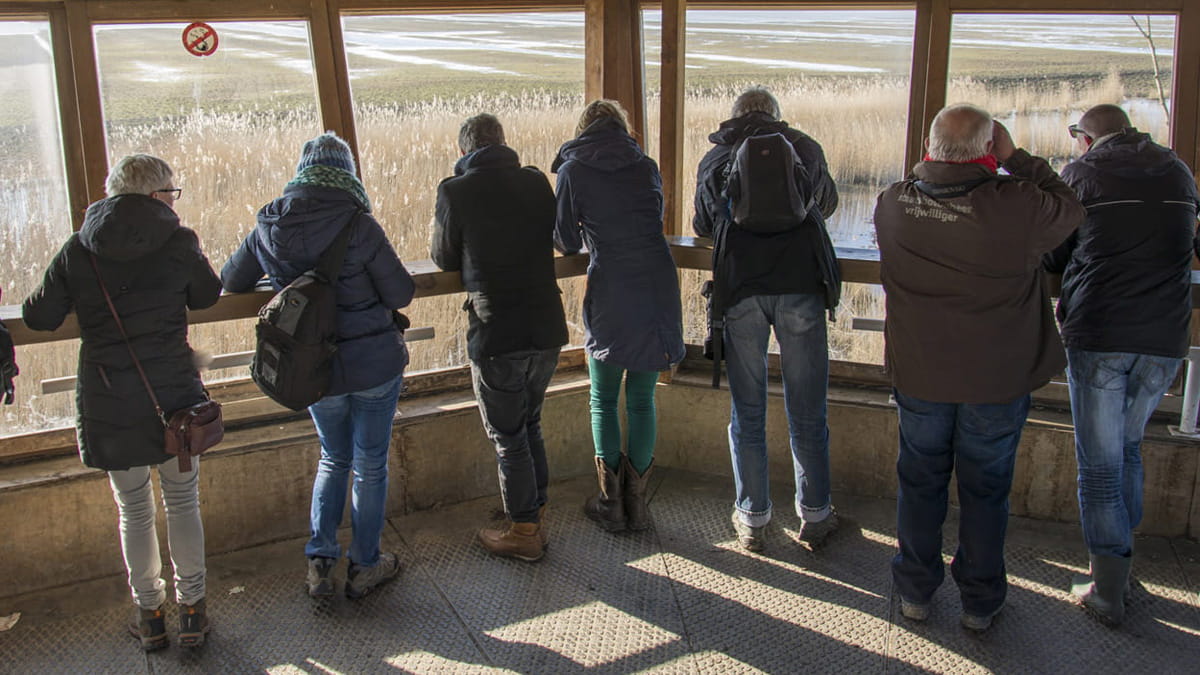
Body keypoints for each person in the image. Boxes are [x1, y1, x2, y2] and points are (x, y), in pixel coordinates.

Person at [874, 104, 1084, 631]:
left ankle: (916, 592)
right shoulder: (1017, 206)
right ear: (990, 152)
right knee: (986, 490)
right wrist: (1018, 159)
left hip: (922, 376)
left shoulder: (893, 204)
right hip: (997, 380)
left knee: (919, 483)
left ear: (929, 147)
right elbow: (1070, 204)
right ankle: (980, 602)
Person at [22, 154, 222, 649]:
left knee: (133, 510)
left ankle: (150, 614)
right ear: (156, 196)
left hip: (109, 397)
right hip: (171, 396)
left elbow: (39, 316)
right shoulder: (178, 242)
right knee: (182, 503)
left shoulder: (80, 247)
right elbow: (209, 293)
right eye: (172, 194)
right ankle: (193, 611)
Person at [222, 132, 415, 600]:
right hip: (372, 367)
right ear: (347, 172)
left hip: (313, 371)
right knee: (370, 465)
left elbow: (231, 279)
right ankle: (366, 564)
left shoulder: (268, 221)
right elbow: (401, 294)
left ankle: (320, 560)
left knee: (333, 457)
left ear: (302, 169)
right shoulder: (359, 224)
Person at [1044, 104, 1200, 626]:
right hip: (1165, 338)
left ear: (1086, 138)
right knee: (1129, 449)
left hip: (1101, 331)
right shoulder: (1178, 169)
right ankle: (1121, 568)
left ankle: (1106, 590)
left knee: (1101, 467)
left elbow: (1055, 250)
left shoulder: (1082, 174)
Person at [692, 85, 841, 552]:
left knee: (749, 409)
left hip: (740, 292)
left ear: (734, 116)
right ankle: (815, 514)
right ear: (778, 116)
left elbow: (701, 223)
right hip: (800, 285)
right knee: (807, 406)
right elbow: (828, 204)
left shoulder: (717, 157)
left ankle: (754, 518)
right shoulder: (805, 147)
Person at [432, 113, 568, 561]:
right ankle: (535, 510)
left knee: (508, 434)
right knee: (529, 423)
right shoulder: (535, 183)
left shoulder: (455, 191)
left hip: (497, 332)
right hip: (546, 325)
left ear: (464, 151)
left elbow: (443, 256)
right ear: (504, 142)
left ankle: (525, 530)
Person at [552, 100, 685, 532]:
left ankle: (612, 504)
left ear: (583, 129)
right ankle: (638, 505)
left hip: (611, 286)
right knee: (643, 400)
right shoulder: (645, 166)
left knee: (603, 399)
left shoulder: (573, 170)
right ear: (623, 128)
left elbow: (567, 242)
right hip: (657, 283)